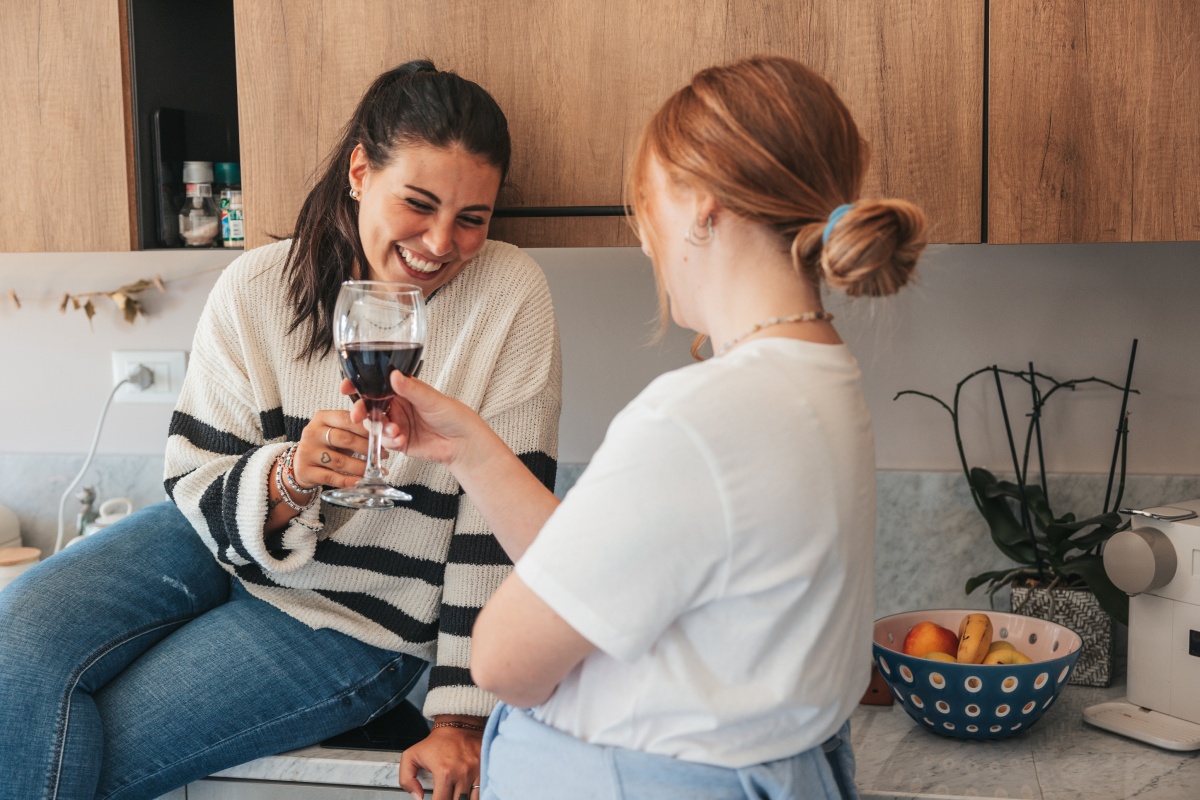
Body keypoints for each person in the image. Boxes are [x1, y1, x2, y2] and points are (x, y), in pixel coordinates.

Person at [353, 55, 926, 799]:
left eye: (647, 202)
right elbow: (611, 581)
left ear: (702, 206)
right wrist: (468, 448)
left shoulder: (696, 418)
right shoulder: (822, 382)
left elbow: (502, 662)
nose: (646, 236)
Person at [0, 61, 561, 800]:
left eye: (472, 219)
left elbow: (499, 530)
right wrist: (288, 478)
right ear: (361, 171)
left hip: (352, 619)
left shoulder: (510, 296)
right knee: (14, 647)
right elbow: (194, 470)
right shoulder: (256, 286)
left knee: (88, 746)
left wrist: (460, 715)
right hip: (208, 547)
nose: (440, 242)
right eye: (418, 204)